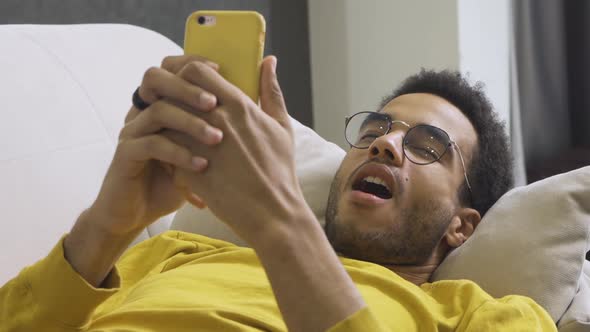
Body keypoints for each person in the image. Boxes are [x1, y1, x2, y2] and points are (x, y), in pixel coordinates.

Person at [0, 55, 556, 332]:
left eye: (428, 147)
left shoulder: (477, 314)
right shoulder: (174, 254)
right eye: (374, 131)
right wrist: (107, 224)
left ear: (462, 225)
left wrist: (278, 221)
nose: (385, 145)